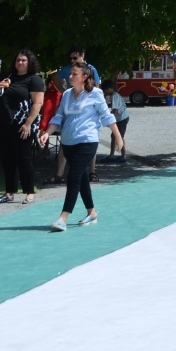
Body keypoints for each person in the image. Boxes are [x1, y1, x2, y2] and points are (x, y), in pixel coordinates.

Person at [45, 63, 122, 231]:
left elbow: (106, 116)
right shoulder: (65, 95)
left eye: (74, 74)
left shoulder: (96, 93)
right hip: (69, 142)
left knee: (73, 175)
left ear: (84, 77)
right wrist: (47, 133)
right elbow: (58, 116)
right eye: (70, 74)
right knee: (81, 178)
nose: (70, 77)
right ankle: (92, 212)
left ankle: (63, 217)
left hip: (87, 141)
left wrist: (118, 136)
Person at [0, 49, 45, 204]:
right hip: (5, 123)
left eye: (23, 60)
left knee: (23, 158)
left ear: (30, 63)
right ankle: (9, 192)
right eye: (18, 60)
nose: (20, 63)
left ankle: (29, 192)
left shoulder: (34, 80)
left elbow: (38, 103)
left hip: (22, 125)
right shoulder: (9, 78)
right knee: (7, 159)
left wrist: (28, 123)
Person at [101, 80, 130, 162]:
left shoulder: (114, 96)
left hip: (122, 119)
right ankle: (111, 155)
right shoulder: (114, 95)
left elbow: (115, 110)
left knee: (120, 137)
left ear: (110, 89)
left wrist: (109, 120)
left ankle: (123, 157)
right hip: (121, 118)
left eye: (105, 90)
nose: (104, 92)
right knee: (113, 136)